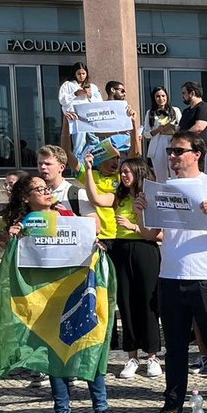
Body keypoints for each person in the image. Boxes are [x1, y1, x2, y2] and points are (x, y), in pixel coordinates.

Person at [135, 132, 207, 413]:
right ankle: (172, 406)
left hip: (205, 277)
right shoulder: (163, 187)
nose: (172, 156)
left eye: (178, 151)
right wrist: (141, 214)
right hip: (170, 276)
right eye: (170, 151)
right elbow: (150, 235)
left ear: (197, 153)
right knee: (175, 347)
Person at [0, 174, 115, 413]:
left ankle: (101, 409)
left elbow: (86, 242)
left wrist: (96, 245)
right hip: (44, 298)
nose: (46, 192)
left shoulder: (67, 214)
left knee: (89, 343)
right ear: (26, 198)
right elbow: (13, 261)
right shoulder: (23, 225)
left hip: (73, 290)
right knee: (54, 351)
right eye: (39, 189)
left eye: (47, 187)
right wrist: (12, 237)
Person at [81, 156, 163, 379]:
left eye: (128, 172)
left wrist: (134, 225)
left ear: (139, 173)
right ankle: (132, 356)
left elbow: (162, 234)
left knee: (148, 303)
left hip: (145, 249)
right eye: (122, 172)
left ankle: (153, 356)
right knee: (125, 303)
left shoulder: (151, 197)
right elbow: (96, 198)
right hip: (120, 249)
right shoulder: (120, 196)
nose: (123, 175)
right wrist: (89, 170)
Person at [58, 62, 103, 158]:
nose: (81, 76)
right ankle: (77, 165)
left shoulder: (92, 86)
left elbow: (99, 102)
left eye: (83, 73)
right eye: (79, 74)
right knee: (79, 143)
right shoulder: (68, 85)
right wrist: (75, 94)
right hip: (77, 117)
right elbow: (62, 100)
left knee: (94, 140)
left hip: (90, 117)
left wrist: (90, 96)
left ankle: (93, 161)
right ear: (75, 73)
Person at [143, 86, 182, 182]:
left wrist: (172, 127)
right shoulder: (150, 113)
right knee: (160, 174)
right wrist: (157, 130)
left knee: (175, 172)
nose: (161, 99)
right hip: (158, 143)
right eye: (158, 96)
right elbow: (146, 133)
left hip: (172, 142)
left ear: (167, 96)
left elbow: (181, 128)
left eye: (163, 96)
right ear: (154, 98)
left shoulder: (175, 111)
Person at [179, 81, 207, 152]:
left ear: (192, 93)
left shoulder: (204, 107)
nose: (183, 96)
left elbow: (199, 127)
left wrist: (182, 137)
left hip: (201, 149)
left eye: (184, 93)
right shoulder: (186, 111)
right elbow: (180, 128)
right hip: (188, 149)